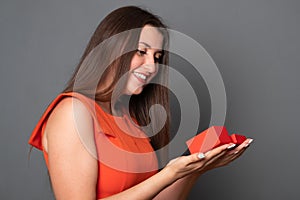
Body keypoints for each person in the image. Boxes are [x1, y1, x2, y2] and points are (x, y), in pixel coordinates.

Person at [28, 6, 253, 200]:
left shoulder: (130, 119)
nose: (152, 67)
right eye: (141, 52)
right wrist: (169, 173)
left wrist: (194, 169)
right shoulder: (73, 111)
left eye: (157, 57)